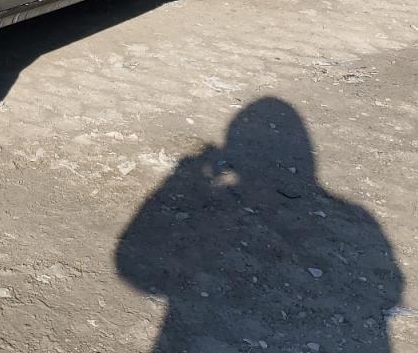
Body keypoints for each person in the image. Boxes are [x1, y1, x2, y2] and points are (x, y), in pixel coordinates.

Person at [116, 97, 403, 352]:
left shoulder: (355, 217)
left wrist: (184, 174)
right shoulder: (358, 217)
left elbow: (131, 268)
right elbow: (391, 290)